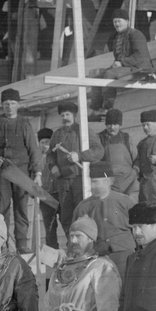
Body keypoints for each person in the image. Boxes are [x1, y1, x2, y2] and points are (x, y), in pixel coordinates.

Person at [0, 87, 42, 253]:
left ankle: (22, 245)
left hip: (21, 172)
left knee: (21, 208)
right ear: (2, 105)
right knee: (1, 210)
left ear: (18, 105)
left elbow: (34, 150)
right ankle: (3, 245)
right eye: (6, 103)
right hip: (1, 173)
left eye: (13, 103)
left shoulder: (24, 124)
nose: (10, 106)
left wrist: (37, 173)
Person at [71, 162, 137, 275]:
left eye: (96, 182)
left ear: (108, 181)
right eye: (91, 182)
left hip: (125, 257)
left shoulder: (126, 202)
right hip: (97, 260)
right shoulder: (83, 207)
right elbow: (74, 237)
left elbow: (140, 230)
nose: (93, 186)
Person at [48, 103, 99, 240]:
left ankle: (85, 242)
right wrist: (53, 166)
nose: (65, 117)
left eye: (68, 114)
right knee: (66, 216)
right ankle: (71, 243)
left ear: (74, 115)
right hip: (63, 181)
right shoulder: (57, 134)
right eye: (62, 115)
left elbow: (98, 150)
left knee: (82, 212)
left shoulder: (83, 131)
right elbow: (50, 154)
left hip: (80, 179)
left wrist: (80, 156)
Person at [97, 108, 139, 197]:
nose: (112, 127)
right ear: (105, 124)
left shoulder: (126, 138)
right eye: (109, 124)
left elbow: (136, 158)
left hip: (128, 182)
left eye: (115, 124)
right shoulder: (100, 138)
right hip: (109, 184)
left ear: (120, 125)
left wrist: (135, 171)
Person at [106, 9, 156, 79]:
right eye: (115, 22)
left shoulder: (136, 34)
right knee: (97, 73)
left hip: (140, 69)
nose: (117, 24)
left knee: (109, 74)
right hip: (127, 67)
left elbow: (140, 56)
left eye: (119, 21)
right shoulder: (116, 38)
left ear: (127, 21)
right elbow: (119, 58)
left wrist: (121, 63)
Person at [136, 109, 156, 204]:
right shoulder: (142, 143)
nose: (145, 127)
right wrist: (135, 168)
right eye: (143, 125)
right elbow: (138, 159)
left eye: (148, 124)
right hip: (144, 185)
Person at [36, 127, 60, 249]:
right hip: (45, 197)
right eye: (42, 142)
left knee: (67, 222)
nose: (45, 145)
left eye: (47, 142)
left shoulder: (57, 156)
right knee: (49, 228)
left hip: (60, 193)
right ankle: (53, 252)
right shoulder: (36, 159)